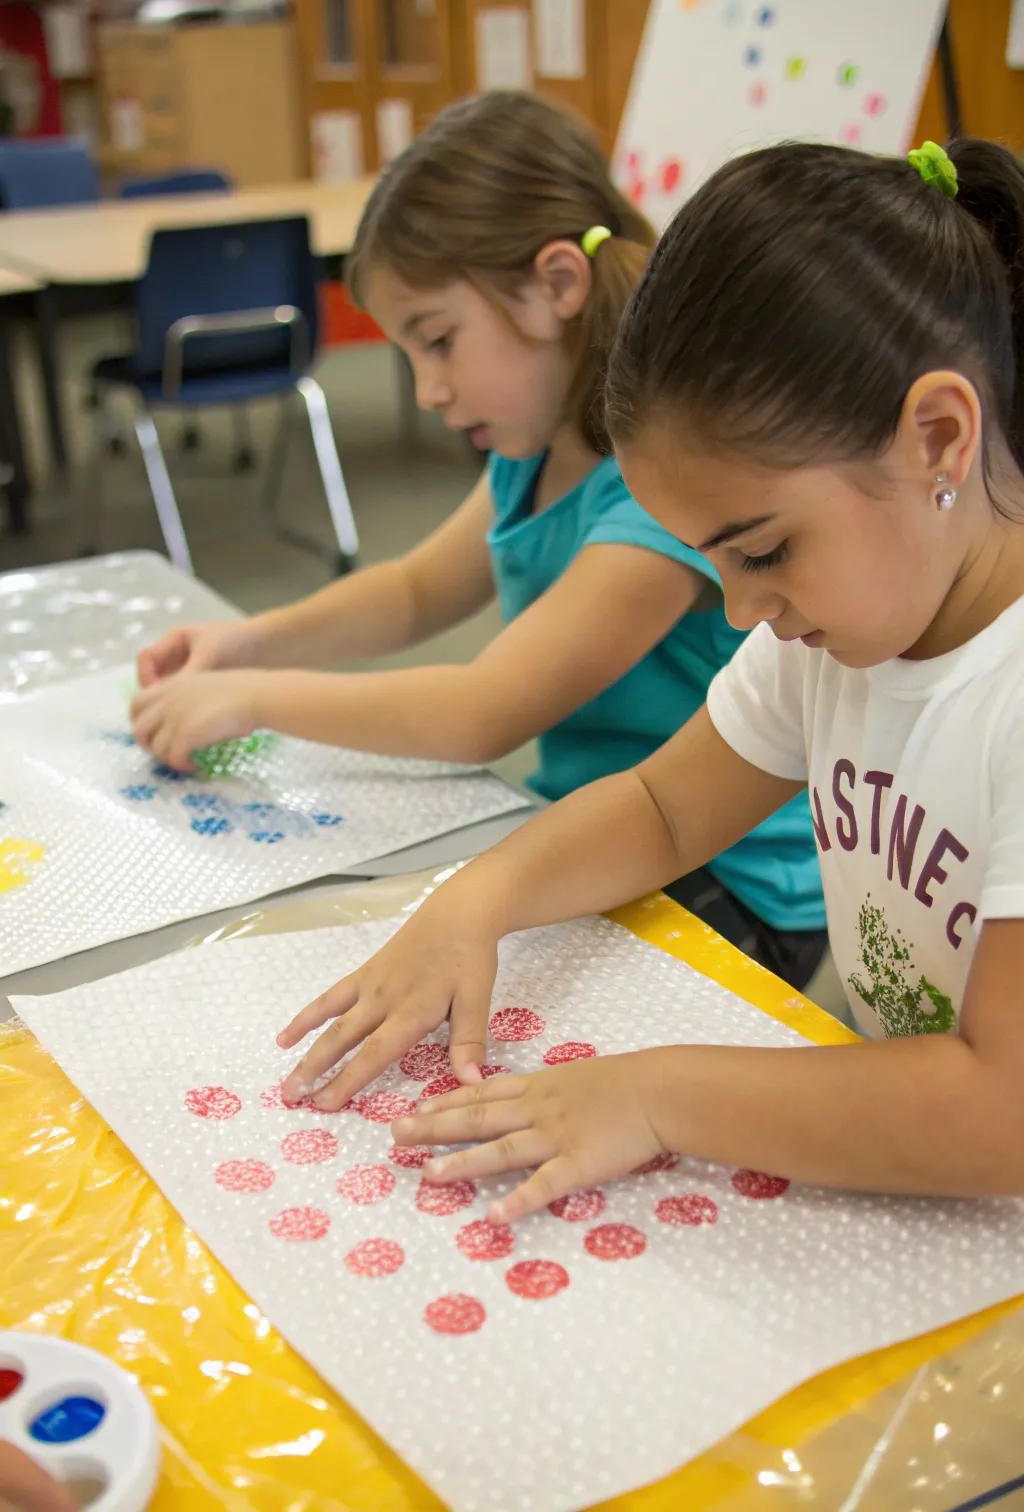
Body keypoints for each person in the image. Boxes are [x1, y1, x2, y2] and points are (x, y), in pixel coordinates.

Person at [276, 137, 1024, 1216]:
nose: (739, 610)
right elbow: (664, 806)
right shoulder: (835, 633)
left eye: (760, 551)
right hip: (932, 1206)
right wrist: (475, 902)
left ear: (938, 440)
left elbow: (998, 1112)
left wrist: (656, 1096)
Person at [131, 90, 824, 985]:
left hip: (728, 874)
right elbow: (417, 590)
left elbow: (485, 711)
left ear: (556, 286)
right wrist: (246, 640)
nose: (426, 390)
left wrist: (259, 696)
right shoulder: (533, 444)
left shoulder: (662, 488)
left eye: (439, 341)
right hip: (595, 825)